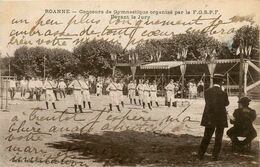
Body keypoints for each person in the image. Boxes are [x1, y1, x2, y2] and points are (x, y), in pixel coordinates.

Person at [198, 74, 229, 161]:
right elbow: (226, 103)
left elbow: (208, 102)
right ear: (220, 82)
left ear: (213, 81)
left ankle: (200, 154)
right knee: (218, 137)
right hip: (220, 117)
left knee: (207, 136)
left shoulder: (207, 91)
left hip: (210, 117)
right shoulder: (223, 93)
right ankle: (215, 156)